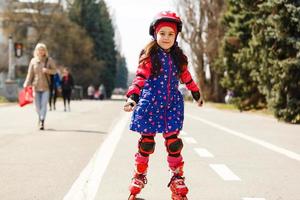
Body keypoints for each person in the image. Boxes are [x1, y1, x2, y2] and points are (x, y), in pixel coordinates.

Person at [124, 11, 203, 200]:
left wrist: (195, 92)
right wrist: (133, 97)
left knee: (174, 143)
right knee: (147, 143)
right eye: (162, 33)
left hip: (171, 105)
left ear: (176, 36)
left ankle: (177, 179)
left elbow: (186, 77)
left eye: (170, 34)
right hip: (150, 103)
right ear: (155, 34)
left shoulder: (179, 57)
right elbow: (140, 78)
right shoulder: (150, 55)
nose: (166, 37)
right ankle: (139, 176)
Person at [23, 43, 57, 130]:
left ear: (45, 51)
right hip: (36, 86)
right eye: (39, 50)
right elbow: (30, 74)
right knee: (37, 106)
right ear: (36, 51)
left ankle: (42, 121)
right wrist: (26, 84)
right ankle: (40, 116)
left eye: (42, 50)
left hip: (46, 87)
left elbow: (55, 71)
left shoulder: (49, 60)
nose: (41, 51)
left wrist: (47, 70)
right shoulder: (33, 61)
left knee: (44, 105)